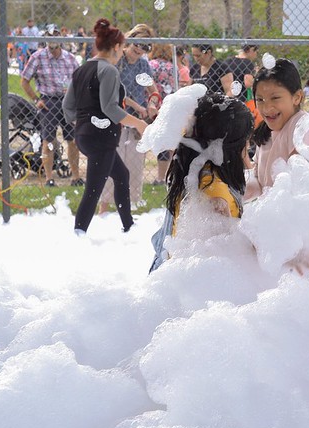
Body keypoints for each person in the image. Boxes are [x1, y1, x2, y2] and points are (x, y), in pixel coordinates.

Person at [150, 94, 254, 272]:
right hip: (198, 284)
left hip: (171, 275)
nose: (249, 145)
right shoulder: (215, 192)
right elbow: (226, 253)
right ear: (231, 145)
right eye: (246, 139)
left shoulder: (192, 173)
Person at [63, 18, 148, 234]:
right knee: (93, 189)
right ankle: (78, 232)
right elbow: (110, 109)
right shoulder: (109, 70)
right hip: (101, 138)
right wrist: (138, 123)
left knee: (121, 175)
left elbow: (67, 106)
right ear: (117, 47)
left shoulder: (82, 69)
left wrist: (85, 122)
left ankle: (128, 225)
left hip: (84, 135)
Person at [98, 23, 159, 212]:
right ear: (128, 43)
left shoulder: (143, 64)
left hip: (136, 122)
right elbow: (114, 93)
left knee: (134, 165)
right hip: (114, 117)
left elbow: (153, 89)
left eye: (143, 50)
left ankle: (126, 209)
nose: (138, 52)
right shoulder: (117, 60)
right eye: (135, 47)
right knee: (110, 163)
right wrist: (138, 106)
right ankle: (104, 208)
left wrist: (151, 104)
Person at [246, 58, 309, 200]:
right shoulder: (266, 131)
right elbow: (258, 183)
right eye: (260, 100)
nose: (267, 108)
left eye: (275, 98)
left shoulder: (302, 126)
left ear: (297, 97)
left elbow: (298, 185)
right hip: (272, 211)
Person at [20, 27, 83, 186]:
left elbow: (79, 80)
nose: (53, 39)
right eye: (49, 36)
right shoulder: (38, 57)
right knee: (48, 141)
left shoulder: (70, 58)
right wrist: (36, 99)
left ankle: (75, 177)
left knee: (73, 141)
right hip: (48, 102)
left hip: (68, 102)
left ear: (61, 37)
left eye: (56, 35)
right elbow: (24, 80)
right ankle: (49, 178)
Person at [148, 43, 178, 185]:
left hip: (153, 104)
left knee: (153, 139)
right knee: (167, 142)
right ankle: (166, 175)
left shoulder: (150, 65)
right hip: (169, 106)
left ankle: (158, 176)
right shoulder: (173, 67)